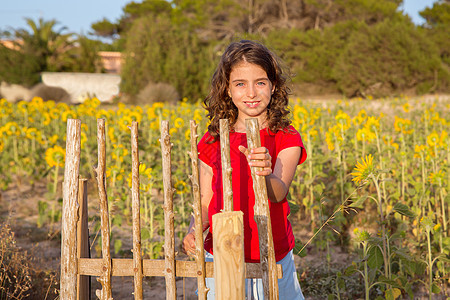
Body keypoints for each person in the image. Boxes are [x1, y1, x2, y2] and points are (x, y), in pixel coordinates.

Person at [182, 40, 307, 299]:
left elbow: (279, 192)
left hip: (272, 253)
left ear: (273, 86)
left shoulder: (285, 137)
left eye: (260, 82)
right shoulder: (212, 139)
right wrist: (195, 229)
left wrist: (265, 172)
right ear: (227, 89)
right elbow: (206, 200)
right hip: (220, 252)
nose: (251, 93)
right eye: (240, 84)